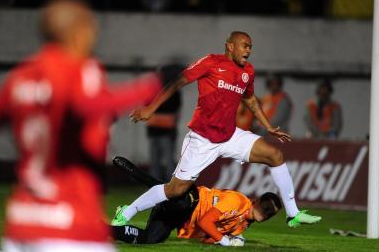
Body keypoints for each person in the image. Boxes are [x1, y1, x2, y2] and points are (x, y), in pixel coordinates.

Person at [0, 0, 166, 252]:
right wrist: (152, 85)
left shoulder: (20, 77)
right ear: (79, 31)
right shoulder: (79, 70)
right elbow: (86, 104)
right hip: (69, 224)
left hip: (22, 222)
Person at [113, 31, 321, 235]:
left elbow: (249, 100)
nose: (248, 50)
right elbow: (178, 81)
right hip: (202, 139)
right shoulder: (210, 62)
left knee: (275, 156)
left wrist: (267, 126)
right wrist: (151, 109)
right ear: (230, 46)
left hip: (230, 136)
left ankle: (293, 213)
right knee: (175, 190)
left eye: (250, 47)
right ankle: (127, 211)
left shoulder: (247, 71)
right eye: (244, 45)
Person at [110, 156, 281, 246]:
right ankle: (129, 208)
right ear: (256, 200)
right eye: (265, 207)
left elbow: (206, 238)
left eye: (269, 213)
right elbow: (206, 221)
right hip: (192, 198)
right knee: (180, 200)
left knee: (150, 239)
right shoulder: (238, 202)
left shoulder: (242, 226)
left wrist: (221, 239)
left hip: (180, 219)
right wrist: (225, 241)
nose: (265, 213)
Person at [146, 64, 182, 181]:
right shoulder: (154, 90)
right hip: (155, 130)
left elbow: (173, 107)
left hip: (166, 131)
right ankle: (154, 183)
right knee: (155, 159)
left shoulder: (172, 92)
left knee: (168, 159)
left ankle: (170, 183)